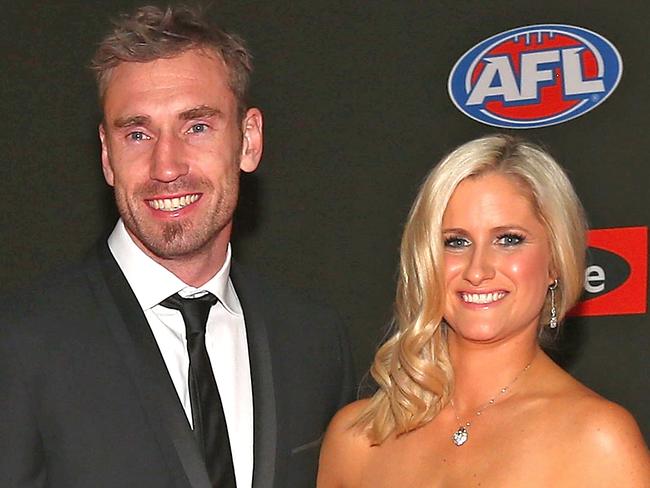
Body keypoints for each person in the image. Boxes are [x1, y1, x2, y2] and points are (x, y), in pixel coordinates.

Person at [0, 5, 354, 488]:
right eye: (138, 134)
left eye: (197, 127)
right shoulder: (20, 342)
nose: (167, 166)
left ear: (248, 140)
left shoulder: (312, 341)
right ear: (107, 156)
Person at [318, 134, 649, 487]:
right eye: (455, 242)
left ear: (554, 262)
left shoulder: (598, 441)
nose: (478, 270)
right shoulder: (357, 439)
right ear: (425, 259)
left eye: (508, 239)